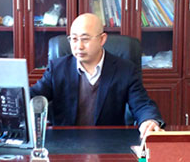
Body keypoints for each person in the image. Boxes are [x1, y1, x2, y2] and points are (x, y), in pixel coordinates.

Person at [30, 13, 164, 139]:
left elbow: (142, 104)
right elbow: (34, 95)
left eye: (85, 39)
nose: (79, 46)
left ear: (102, 39)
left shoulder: (125, 70)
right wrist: (19, 95)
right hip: (65, 142)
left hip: (108, 143)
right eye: (74, 39)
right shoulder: (57, 68)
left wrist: (149, 120)